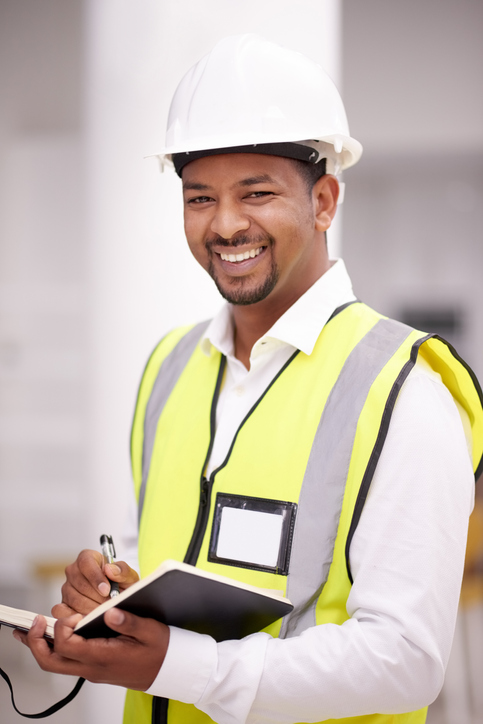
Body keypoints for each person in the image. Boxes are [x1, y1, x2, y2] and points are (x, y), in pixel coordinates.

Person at [14, 34, 483, 724]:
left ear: (323, 201)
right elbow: (162, 554)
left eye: (256, 193)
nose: (225, 224)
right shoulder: (169, 367)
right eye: (199, 197)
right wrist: (112, 597)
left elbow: (405, 660)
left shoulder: (405, 389)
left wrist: (179, 665)